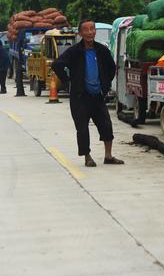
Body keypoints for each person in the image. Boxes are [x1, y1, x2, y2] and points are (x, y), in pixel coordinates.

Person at [52, 20, 123, 167]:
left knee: (106, 125)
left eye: (92, 29)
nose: (90, 32)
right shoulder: (74, 52)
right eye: (86, 30)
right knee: (82, 129)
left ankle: (108, 156)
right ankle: (87, 157)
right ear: (80, 33)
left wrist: (105, 84)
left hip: (97, 96)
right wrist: (68, 81)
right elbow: (57, 65)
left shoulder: (102, 50)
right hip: (79, 97)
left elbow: (112, 67)